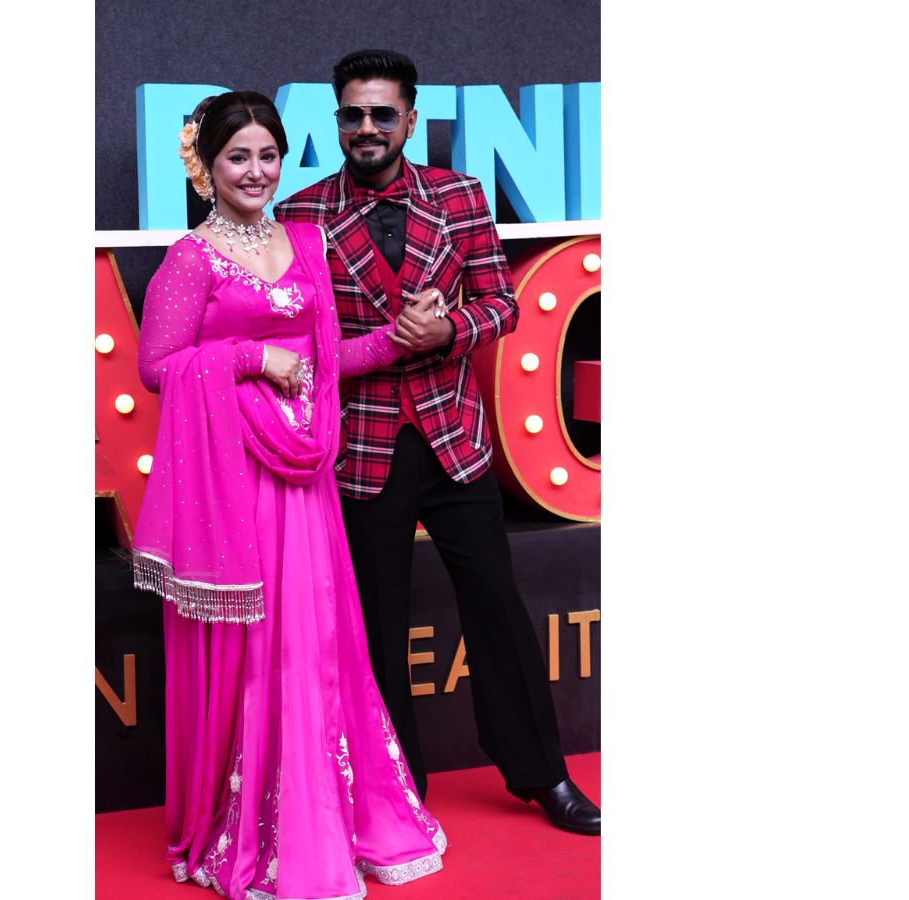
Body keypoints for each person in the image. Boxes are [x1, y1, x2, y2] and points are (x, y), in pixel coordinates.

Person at [273, 50, 601, 836]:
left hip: (455, 440)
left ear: (411, 120)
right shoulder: (300, 214)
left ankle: (544, 775)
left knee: (498, 608)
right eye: (353, 115)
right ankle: (396, 792)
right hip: (361, 450)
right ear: (336, 121)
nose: (367, 128)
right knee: (375, 630)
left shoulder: (461, 196)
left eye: (382, 114)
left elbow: (501, 304)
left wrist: (450, 327)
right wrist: (386, 341)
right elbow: (301, 339)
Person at [132, 90, 447, 900]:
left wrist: (399, 337)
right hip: (234, 483)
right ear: (206, 167)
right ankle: (253, 826)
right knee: (253, 652)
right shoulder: (191, 259)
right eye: (237, 157)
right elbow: (158, 367)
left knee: (311, 648)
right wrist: (250, 358)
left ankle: (315, 813)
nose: (255, 172)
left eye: (268, 155)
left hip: (303, 482)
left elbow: (326, 357)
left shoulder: (303, 241)